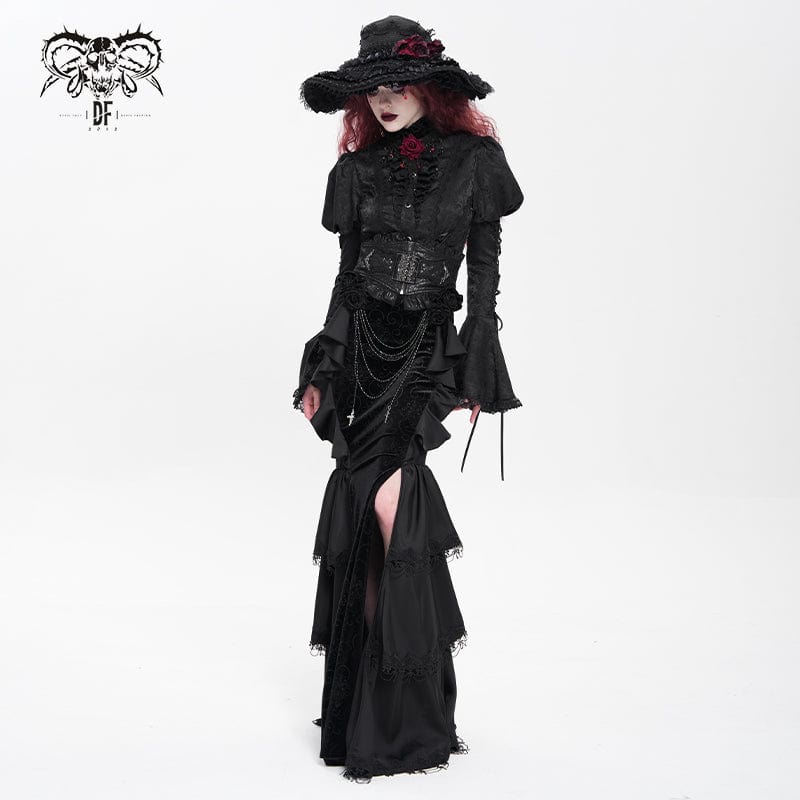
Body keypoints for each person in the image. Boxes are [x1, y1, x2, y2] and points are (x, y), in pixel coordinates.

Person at [292, 15, 524, 782]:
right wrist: (322, 370)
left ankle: (411, 716)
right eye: (373, 88)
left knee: (393, 506)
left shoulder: (476, 162)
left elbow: (484, 279)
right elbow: (346, 277)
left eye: (397, 83)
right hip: (361, 353)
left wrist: (477, 369)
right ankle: (366, 709)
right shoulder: (356, 171)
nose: (385, 98)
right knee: (366, 514)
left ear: (430, 85)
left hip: (424, 353)